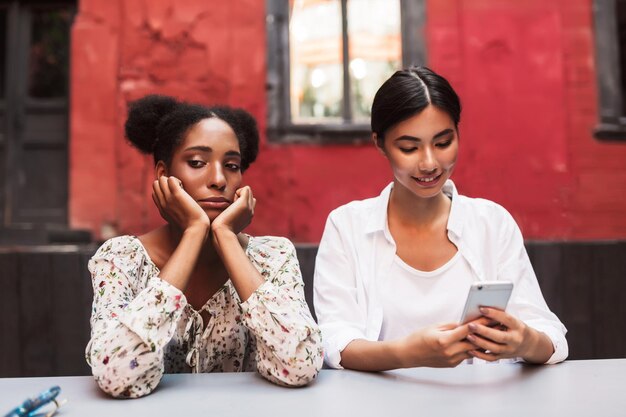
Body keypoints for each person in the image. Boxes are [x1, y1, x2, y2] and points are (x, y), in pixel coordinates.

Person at [313, 67, 568, 371]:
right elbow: (333, 341)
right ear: (379, 144)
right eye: (409, 148)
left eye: (443, 143)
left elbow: (550, 336)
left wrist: (525, 341)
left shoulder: (491, 223)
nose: (429, 163)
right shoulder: (347, 227)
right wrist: (407, 355)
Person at [86, 95, 323, 398]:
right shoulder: (120, 259)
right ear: (163, 174)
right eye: (197, 162)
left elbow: (301, 365)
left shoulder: (273, 257)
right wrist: (194, 232)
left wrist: (225, 236)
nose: (219, 179)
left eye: (232, 165)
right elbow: (116, 375)